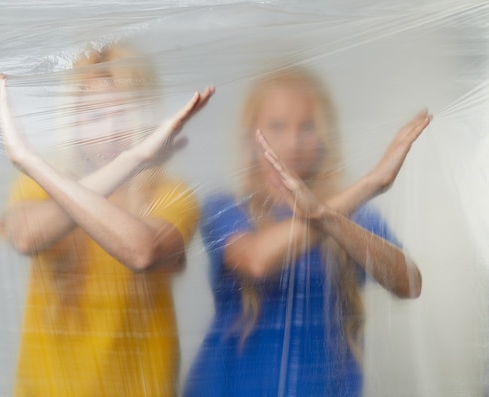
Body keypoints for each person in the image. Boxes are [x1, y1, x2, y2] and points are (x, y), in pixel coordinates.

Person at [183, 67, 430, 397]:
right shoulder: (226, 207)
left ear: (324, 136)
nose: (293, 141)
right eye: (277, 126)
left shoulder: (355, 218)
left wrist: (329, 213)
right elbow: (255, 259)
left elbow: (408, 282)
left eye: (308, 126)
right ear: (251, 134)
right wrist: (369, 185)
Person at [0, 44, 214, 397]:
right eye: (94, 116)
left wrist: (30, 160)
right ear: (73, 120)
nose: (111, 130)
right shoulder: (36, 186)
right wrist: (133, 159)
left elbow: (142, 252)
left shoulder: (172, 193)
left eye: (123, 113)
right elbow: (26, 237)